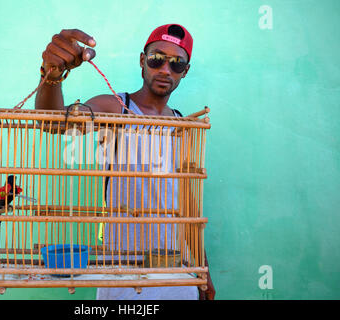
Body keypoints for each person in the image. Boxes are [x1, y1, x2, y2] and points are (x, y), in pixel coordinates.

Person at [35, 24, 215, 300]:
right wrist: (53, 76)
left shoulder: (183, 125)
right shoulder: (116, 108)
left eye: (177, 64)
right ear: (142, 61)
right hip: (122, 275)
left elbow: (188, 208)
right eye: (157, 59)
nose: (165, 69)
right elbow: (55, 123)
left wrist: (204, 274)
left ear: (185, 72)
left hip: (176, 274)